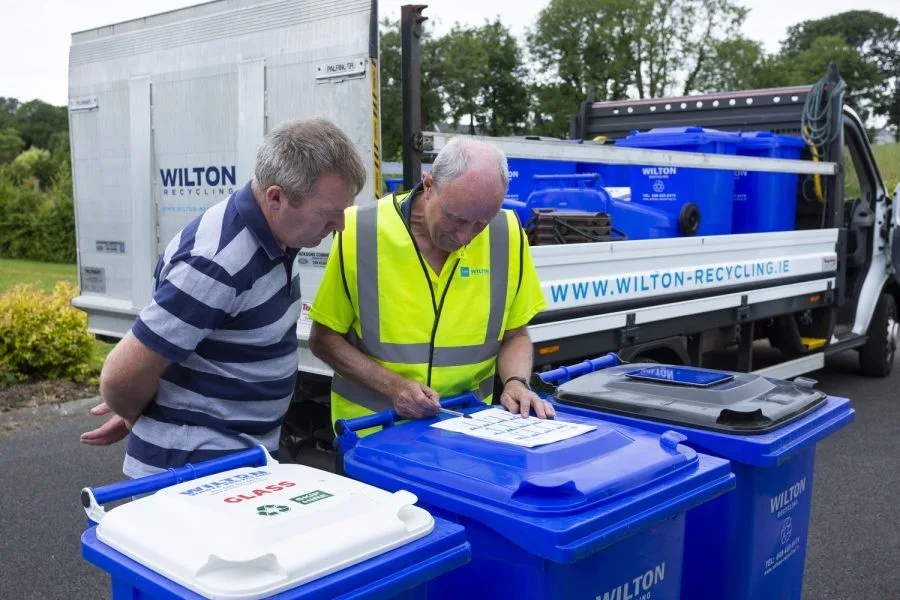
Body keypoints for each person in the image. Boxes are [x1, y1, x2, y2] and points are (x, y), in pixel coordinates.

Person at [80, 117, 367, 478]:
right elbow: (120, 378)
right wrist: (142, 416)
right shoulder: (218, 263)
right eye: (329, 215)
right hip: (196, 471)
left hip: (235, 459)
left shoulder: (277, 235)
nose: (339, 226)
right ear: (276, 197)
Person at [307, 136, 554, 430]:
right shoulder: (360, 230)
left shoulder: (507, 233)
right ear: (428, 186)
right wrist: (394, 387)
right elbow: (324, 340)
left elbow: (515, 335)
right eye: (456, 219)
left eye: (481, 223)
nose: (465, 237)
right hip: (372, 434)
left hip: (466, 429)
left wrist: (515, 383)